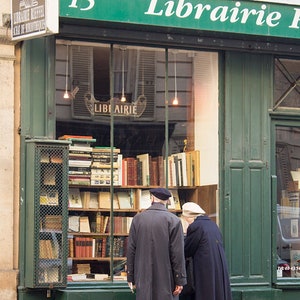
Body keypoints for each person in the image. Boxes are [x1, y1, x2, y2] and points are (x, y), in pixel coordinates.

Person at [126, 187, 187, 300]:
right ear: (167, 201)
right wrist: (180, 279)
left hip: (142, 275)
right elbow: (177, 254)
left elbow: (131, 249)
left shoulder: (138, 219)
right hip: (166, 278)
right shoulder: (174, 220)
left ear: (152, 198)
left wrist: (130, 276)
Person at [184, 202, 232, 300]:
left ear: (190, 216)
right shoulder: (212, 224)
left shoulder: (196, 226)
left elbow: (187, 249)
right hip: (217, 266)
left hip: (204, 268)